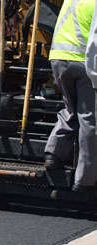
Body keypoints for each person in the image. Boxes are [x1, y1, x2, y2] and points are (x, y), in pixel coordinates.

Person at [45, 0, 97, 193]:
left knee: (71, 109)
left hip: (58, 58)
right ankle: (85, 180)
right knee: (89, 118)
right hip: (82, 62)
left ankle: (54, 153)